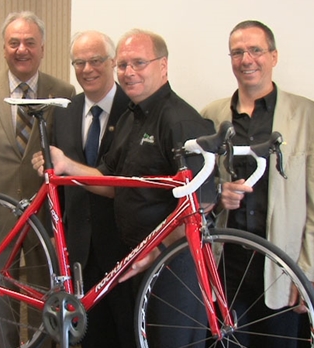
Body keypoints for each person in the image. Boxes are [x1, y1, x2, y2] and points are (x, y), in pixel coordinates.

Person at [33, 29, 216, 347]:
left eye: (140, 63)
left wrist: (156, 250)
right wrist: (67, 165)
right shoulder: (133, 117)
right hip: (137, 258)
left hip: (172, 264)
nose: (129, 72)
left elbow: (202, 203)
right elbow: (112, 183)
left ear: (163, 65)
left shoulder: (180, 122)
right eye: (124, 65)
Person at [201, 20, 314, 347]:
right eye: (238, 52)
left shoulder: (309, 115)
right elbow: (200, 189)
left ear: (273, 56)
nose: (247, 59)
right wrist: (217, 193)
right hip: (226, 263)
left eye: (256, 50)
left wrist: (310, 272)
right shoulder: (212, 115)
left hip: (281, 267)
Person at [0, 10, 75, 347]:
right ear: (4, 47)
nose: (21, 49)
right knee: (0, 302)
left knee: (46, 298)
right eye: (14, 42)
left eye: (29, 42)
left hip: (44, 218)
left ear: (42, 47)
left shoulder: (63, 91)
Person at [51, 30, 135, 347]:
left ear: (112, 62)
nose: (88, 69)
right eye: (79, 62)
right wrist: (54, 230)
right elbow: (55, 182)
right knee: (88, 333)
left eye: (96, 60)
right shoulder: (63, 111)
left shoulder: (134, 107)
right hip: (78, 250)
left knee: (126, 332)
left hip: (122, 247)